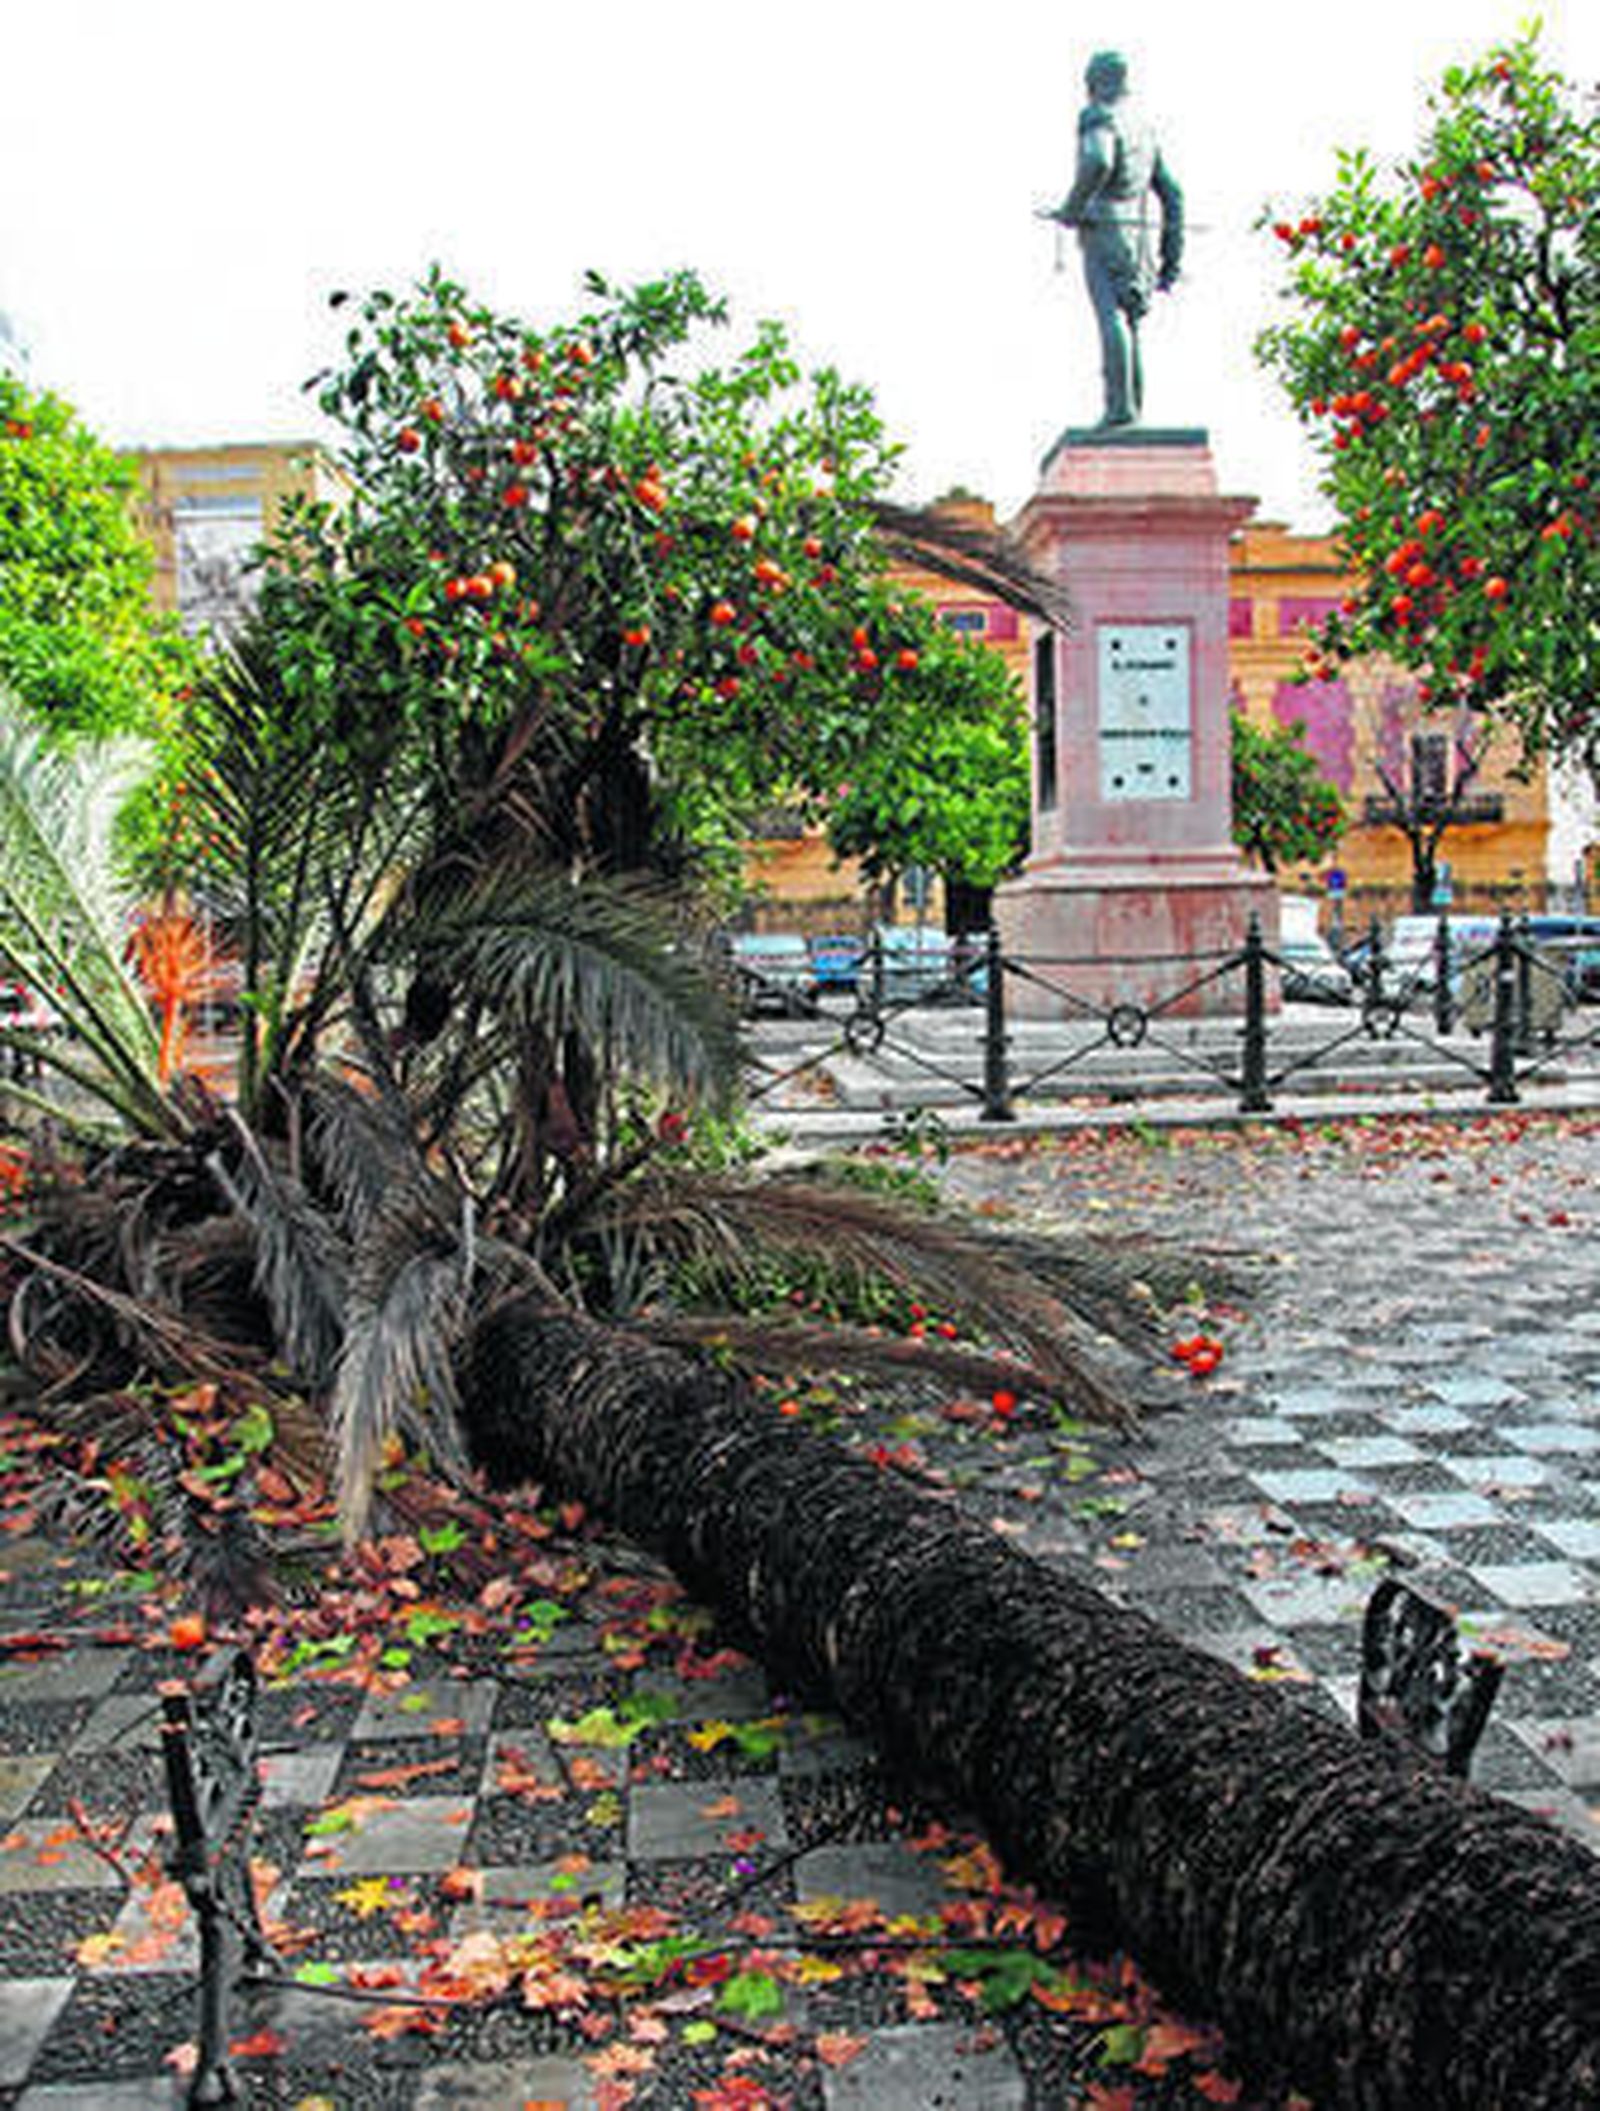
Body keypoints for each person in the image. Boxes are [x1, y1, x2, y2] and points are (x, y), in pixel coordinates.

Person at [1049, 50, 1183, 427]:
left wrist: (1072, 207)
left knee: (1111, 315)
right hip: (1137, 241)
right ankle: (1130, 409)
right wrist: (1171, 257)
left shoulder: (1100, 116)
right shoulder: (1145, 131)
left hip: (1104, 227)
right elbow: (1173, 195)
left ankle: (1120, 409)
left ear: (1095, 84)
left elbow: (1098, 160)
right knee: (1129, 321)